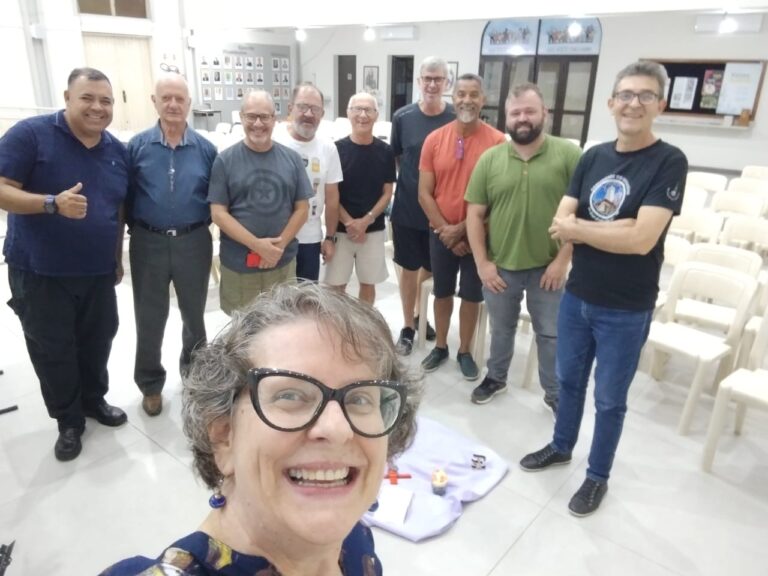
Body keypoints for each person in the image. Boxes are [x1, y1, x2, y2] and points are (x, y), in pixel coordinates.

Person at [100, 282, 422, 575]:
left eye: (361, 398)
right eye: (290, 395)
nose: (337, 428)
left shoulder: (356, 540)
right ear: (224, 436)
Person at [520, 61, 687, 517]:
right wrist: (607, 228)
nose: (634, 104)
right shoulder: (593, 157)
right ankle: (561, 446)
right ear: (611, 103)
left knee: (610, 400)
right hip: (578, 296)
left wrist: (582, 229)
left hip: (626, 307)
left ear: (660, 105)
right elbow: (561, 221)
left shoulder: (668, 161)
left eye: (645, 95)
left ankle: (597, 476)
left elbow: (642, 239)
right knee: (569, 382)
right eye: (626, 95)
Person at [0, 67, 128, 461]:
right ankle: (69, 421)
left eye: (106, 101)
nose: (97, 107)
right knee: (53, 348)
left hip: (97, 271)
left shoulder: (117, 151)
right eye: (87, 98)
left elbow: (118, 208)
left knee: (99, 339)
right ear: (67, 98)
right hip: (40, 272)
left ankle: (93, 400)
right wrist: (51, 203)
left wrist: (115, 258)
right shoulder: (30, 135)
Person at [465, 83, 581, 407]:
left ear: (545, 113)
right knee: (501, 330)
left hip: (549, 268)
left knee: (551, 334)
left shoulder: (569, 155)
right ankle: (496, 378)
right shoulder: (490, 159)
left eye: (530, 111)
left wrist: (563, 260)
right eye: (515, 113)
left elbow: (583, 214)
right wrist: (482, 264)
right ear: (507, 117)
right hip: (501, 267)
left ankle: (555, 393)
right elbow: (474, 214)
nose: (523, 118)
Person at [126, 74, 218, 417]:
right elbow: (125, 196)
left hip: (193, 240)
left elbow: (216, 197)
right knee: (149, 316)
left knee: (194, 314)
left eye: (180, 98)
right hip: (147, 240)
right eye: (166, 98)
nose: (173, 104)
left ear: (189, 104)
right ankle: (150, 383)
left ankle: (194, 374)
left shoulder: (206, 149)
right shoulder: (137, 147)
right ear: (155, 102)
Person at [418, 74, 506, 381]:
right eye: (461, 94)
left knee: (471, 296)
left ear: (483, 100)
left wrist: (464, 231)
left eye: (473, 95)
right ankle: (441, 346)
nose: (467, 100)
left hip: (479, 236)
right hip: (441, 234)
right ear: (452, 99)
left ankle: (465, 351)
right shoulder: (435, 139)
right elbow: (424, 193)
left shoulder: (497, 142)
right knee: (442, 291)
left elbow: (498, 199)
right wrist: (447, 231)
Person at [208, 90, 311, 315]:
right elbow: (218, 214)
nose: (258, 124)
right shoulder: (224, 161)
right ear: (241, 117)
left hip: (281, 264)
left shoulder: (292, 159)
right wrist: (258, 246)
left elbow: (302, 209)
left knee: (283, 323)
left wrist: (277, 248)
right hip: (239, 266)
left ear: (274, 119)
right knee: (243, 328)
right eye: (251, 116)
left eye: (264, 117)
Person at [389, 57, 456, 354]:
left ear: (446, 83)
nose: (432, 84)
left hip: (441, 212)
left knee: (430, 268)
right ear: (419, 81)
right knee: (408, 268)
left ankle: (421, 314)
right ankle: (407, 325)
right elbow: (397, 156)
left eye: (438, 79)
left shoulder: (455, 118)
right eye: (427, 78)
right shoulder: (403, 117)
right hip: (407, 208)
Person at [324, 93, 395, 305]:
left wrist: (365, 221)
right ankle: (338, 324)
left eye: (368, 110)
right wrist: (350, 223)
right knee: (336, 287)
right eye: (357, 109)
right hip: (340, 229)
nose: (363, 115)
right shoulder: (336, 149)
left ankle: (364, 323)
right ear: (348, 113)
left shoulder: (386, 151)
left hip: (372, 229)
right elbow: (331, 193)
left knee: (368, 284)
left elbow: (387, 192)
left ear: (376, 115)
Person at [274, 83, 342, 281]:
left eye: (315, 109)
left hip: (310, 239)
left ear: (322, 114)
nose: (309, 114)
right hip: (275, 237)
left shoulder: (328, 149)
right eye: (303, 107)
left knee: (306, 296)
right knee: (276, 296)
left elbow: (332, 199)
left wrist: (329, 238)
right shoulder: (274, 141)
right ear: (290, 108)